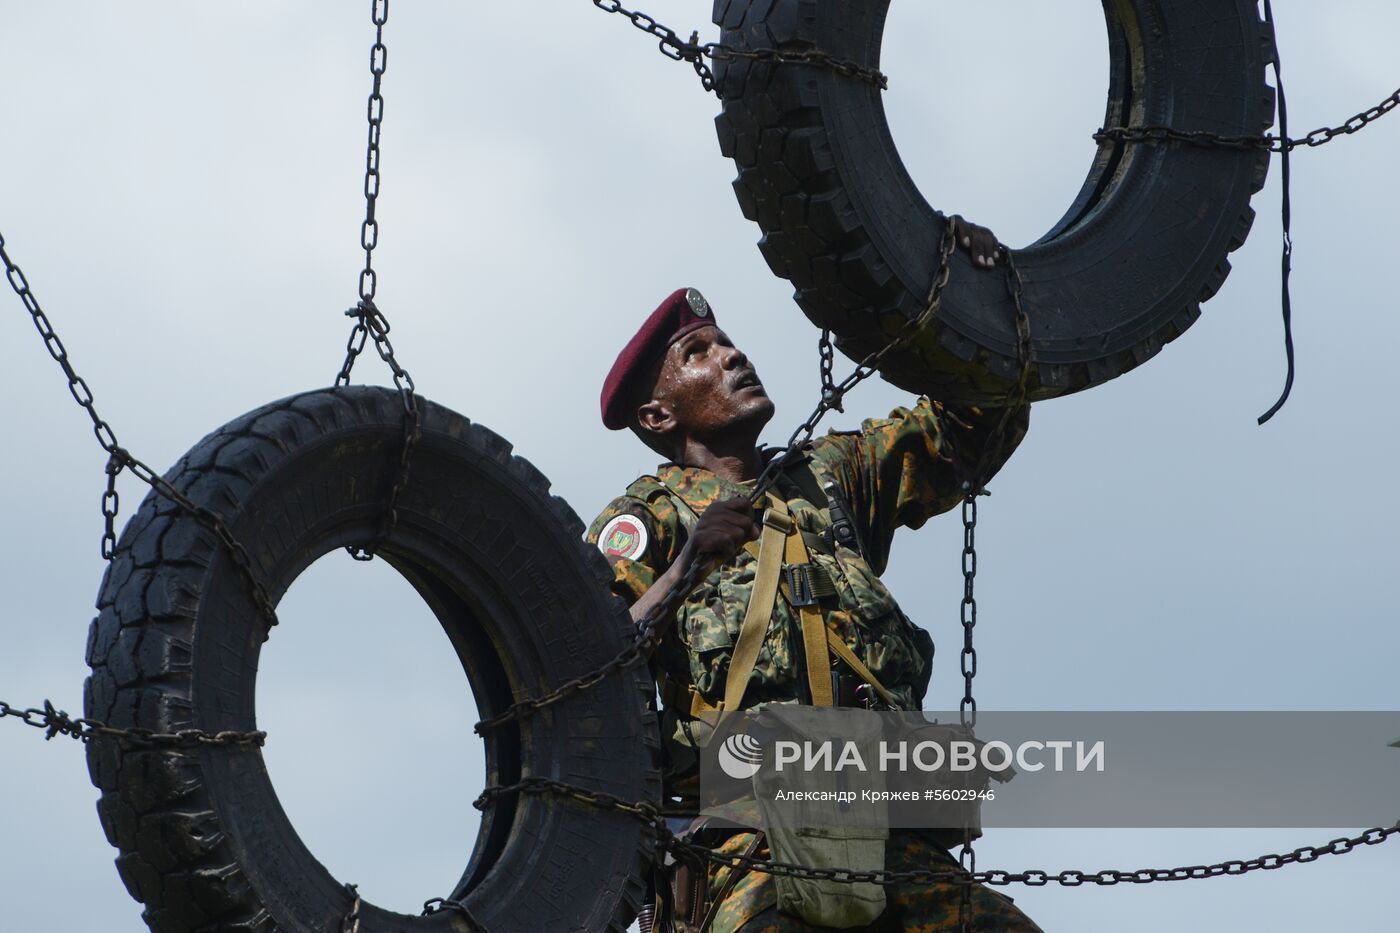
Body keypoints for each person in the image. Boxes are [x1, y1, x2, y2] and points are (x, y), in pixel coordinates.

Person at [586, 218, 1040, 932]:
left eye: (728, 340)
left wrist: (971, 292)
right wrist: (687, 563)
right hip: (746, 843)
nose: (732, 355)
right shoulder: (647, 518)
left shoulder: (831, 475)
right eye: (699, 352)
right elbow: (587, 666)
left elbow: (973, 424)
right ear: (657, 411)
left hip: (893, 828)